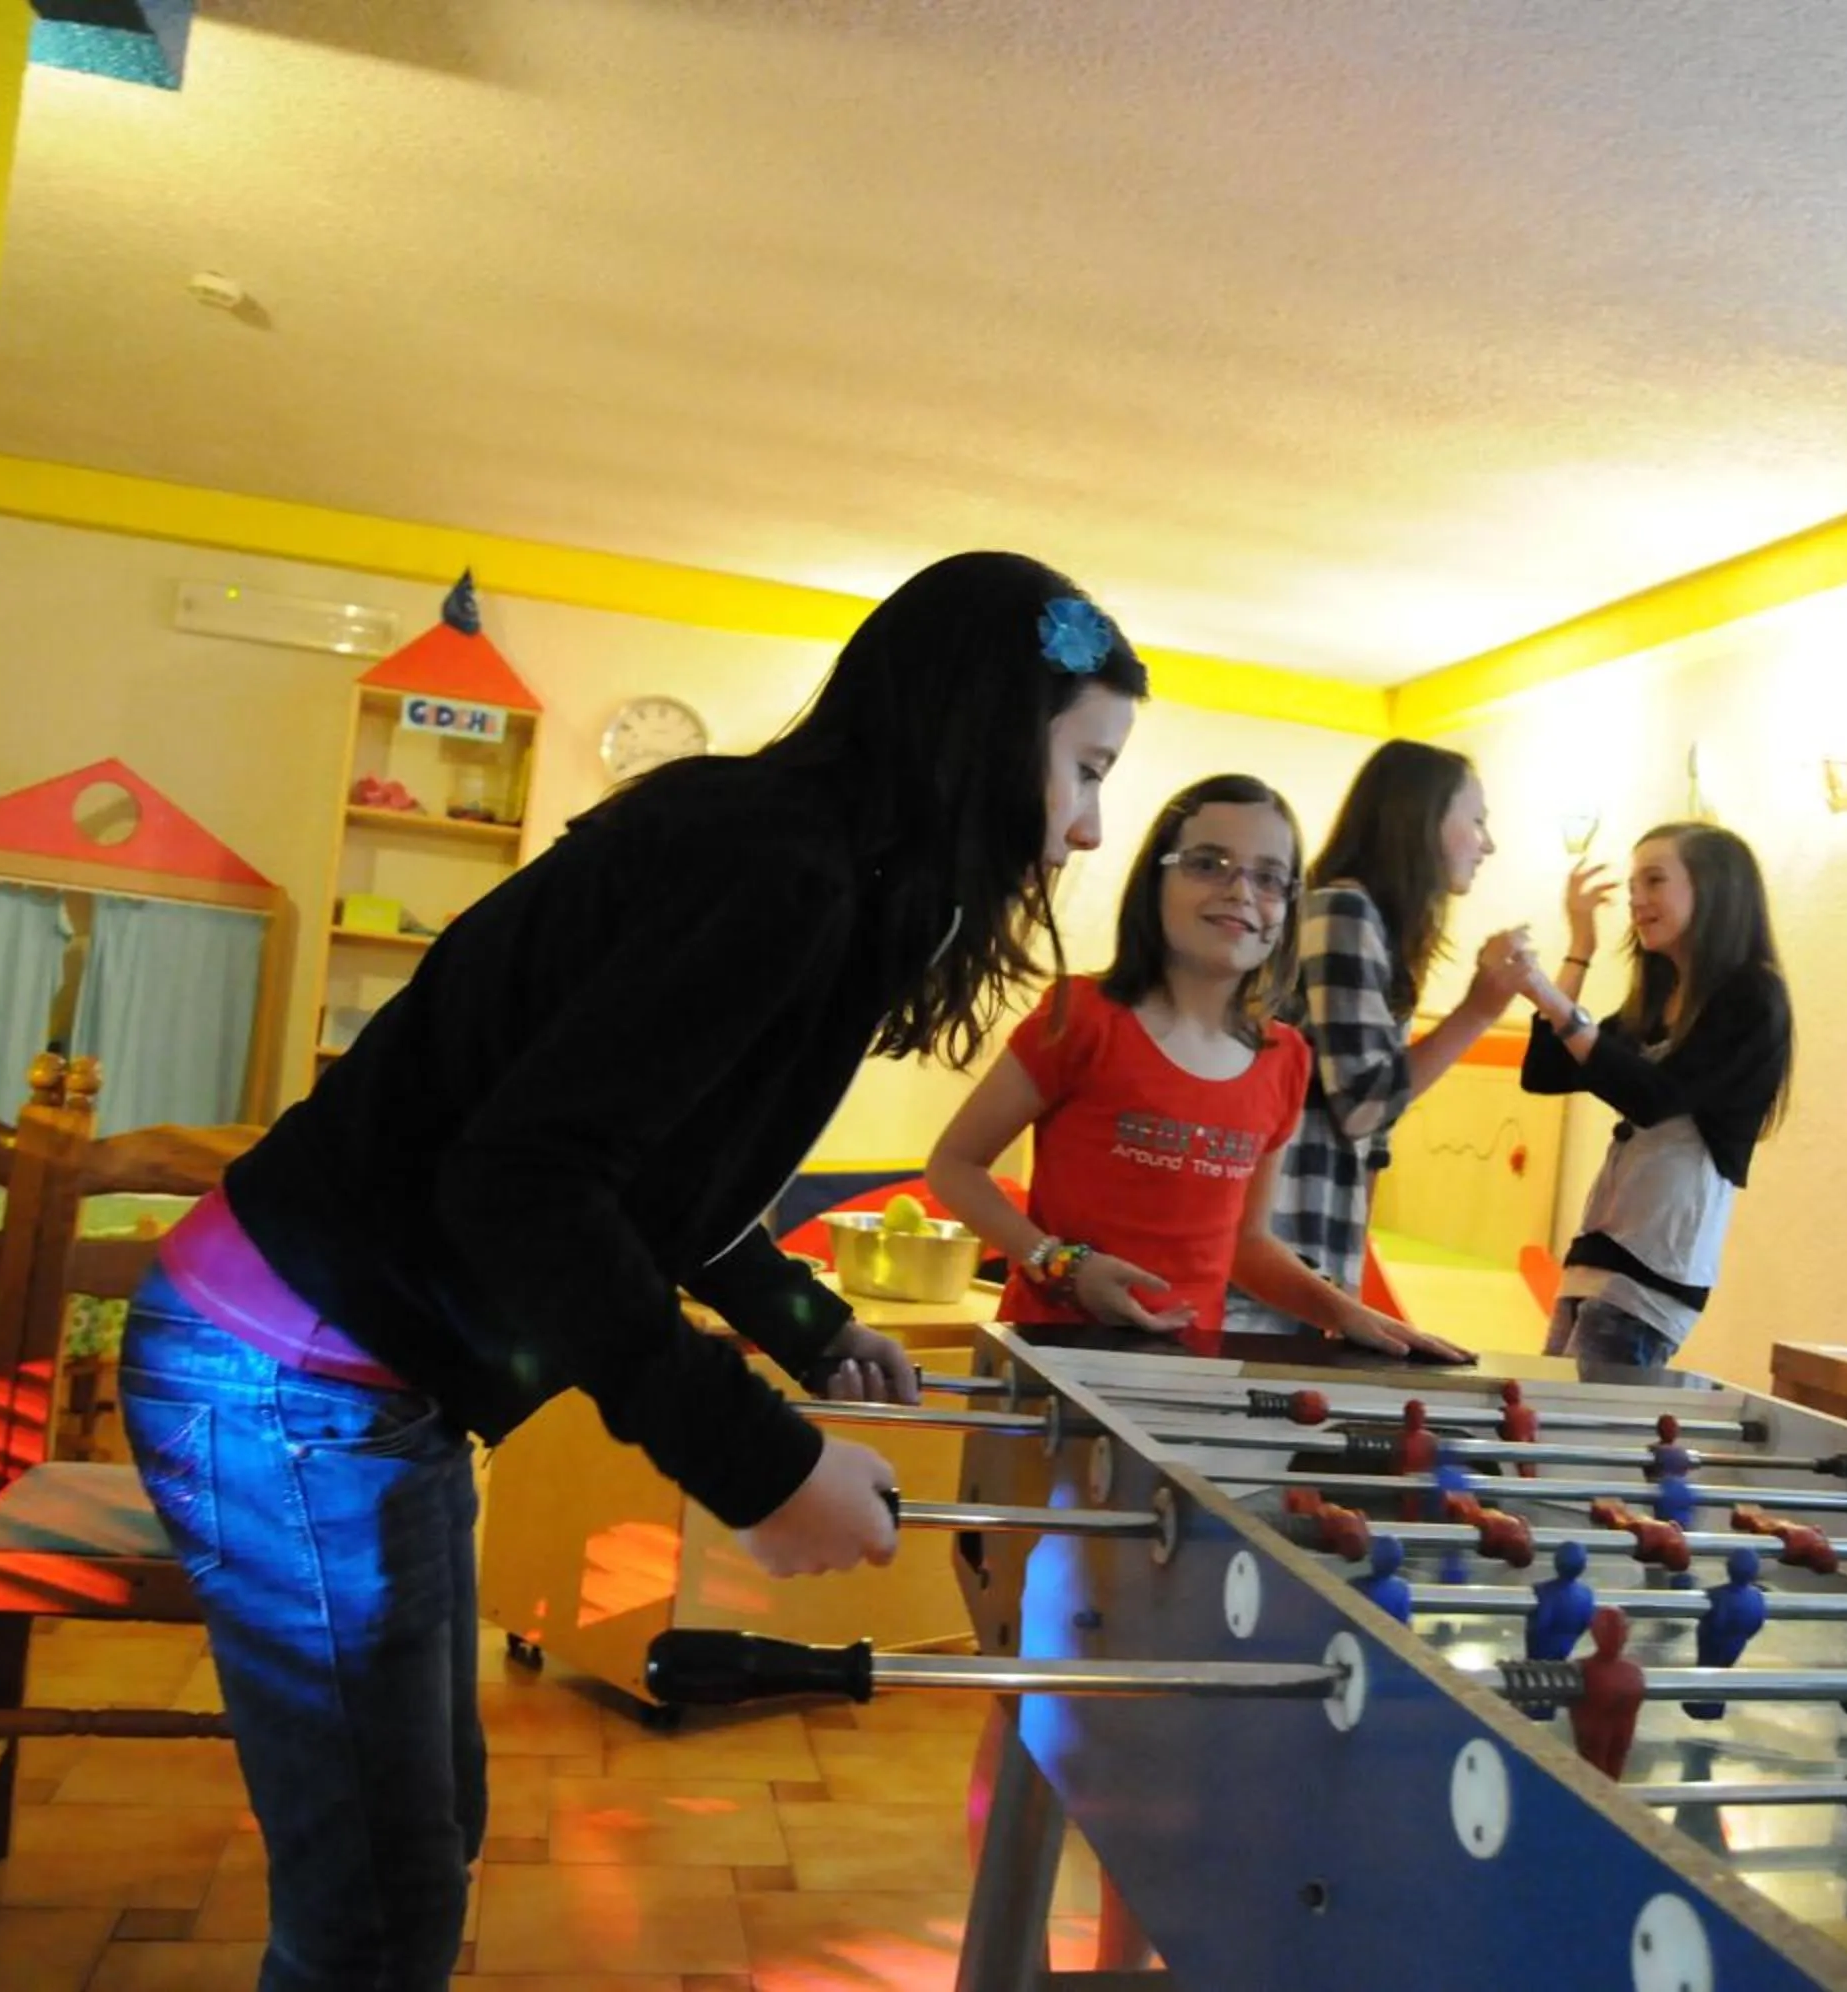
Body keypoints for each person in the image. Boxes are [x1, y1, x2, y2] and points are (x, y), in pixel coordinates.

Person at [118, 552, 1150, 1990]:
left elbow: (658, 1173)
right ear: (986, 738)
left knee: (418, 1849)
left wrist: (808, 1323)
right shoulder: (779, 870)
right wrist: (761, 1461)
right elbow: (526, 1181)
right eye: (1087, 771)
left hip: (338, 1382)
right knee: (377, 1895)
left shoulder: (805, 860)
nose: (1092, 830)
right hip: (284, 1369)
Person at [928, 773, 1469, 1359]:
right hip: (1046, 1366)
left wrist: (1348, 1314)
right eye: (1209, 864)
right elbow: (955, 1166)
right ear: (1155, 879)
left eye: (1268, 878)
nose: (1241, 891)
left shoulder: (1284, 1059)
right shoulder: (1081, 1018)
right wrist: (1061, 1264)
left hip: (1185, 1375)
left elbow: (1247, 1243)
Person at [1226, 739, 1526, 1333]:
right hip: (1276, 1249)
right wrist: (1479, 1010)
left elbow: (1373, 1136)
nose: (1487, 843)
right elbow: (1365, 1103)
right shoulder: (1343, 909)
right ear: (1423, 818)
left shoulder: (1375, 927)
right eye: (1477, 820)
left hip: (1312, 1247)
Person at [1506, 822, 1794, 1370]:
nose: (1637, 900)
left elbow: (1655, 1096)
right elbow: (1545, 1071)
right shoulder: (1659, 996)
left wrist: (1549, 997)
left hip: (1657, 1265)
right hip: (1601, 1250)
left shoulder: (1752, 996)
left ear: (1711, 890)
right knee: (1543, 1427)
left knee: (1573, 1440)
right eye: (1634, 884)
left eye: (1655, 881)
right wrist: (1579, 949)